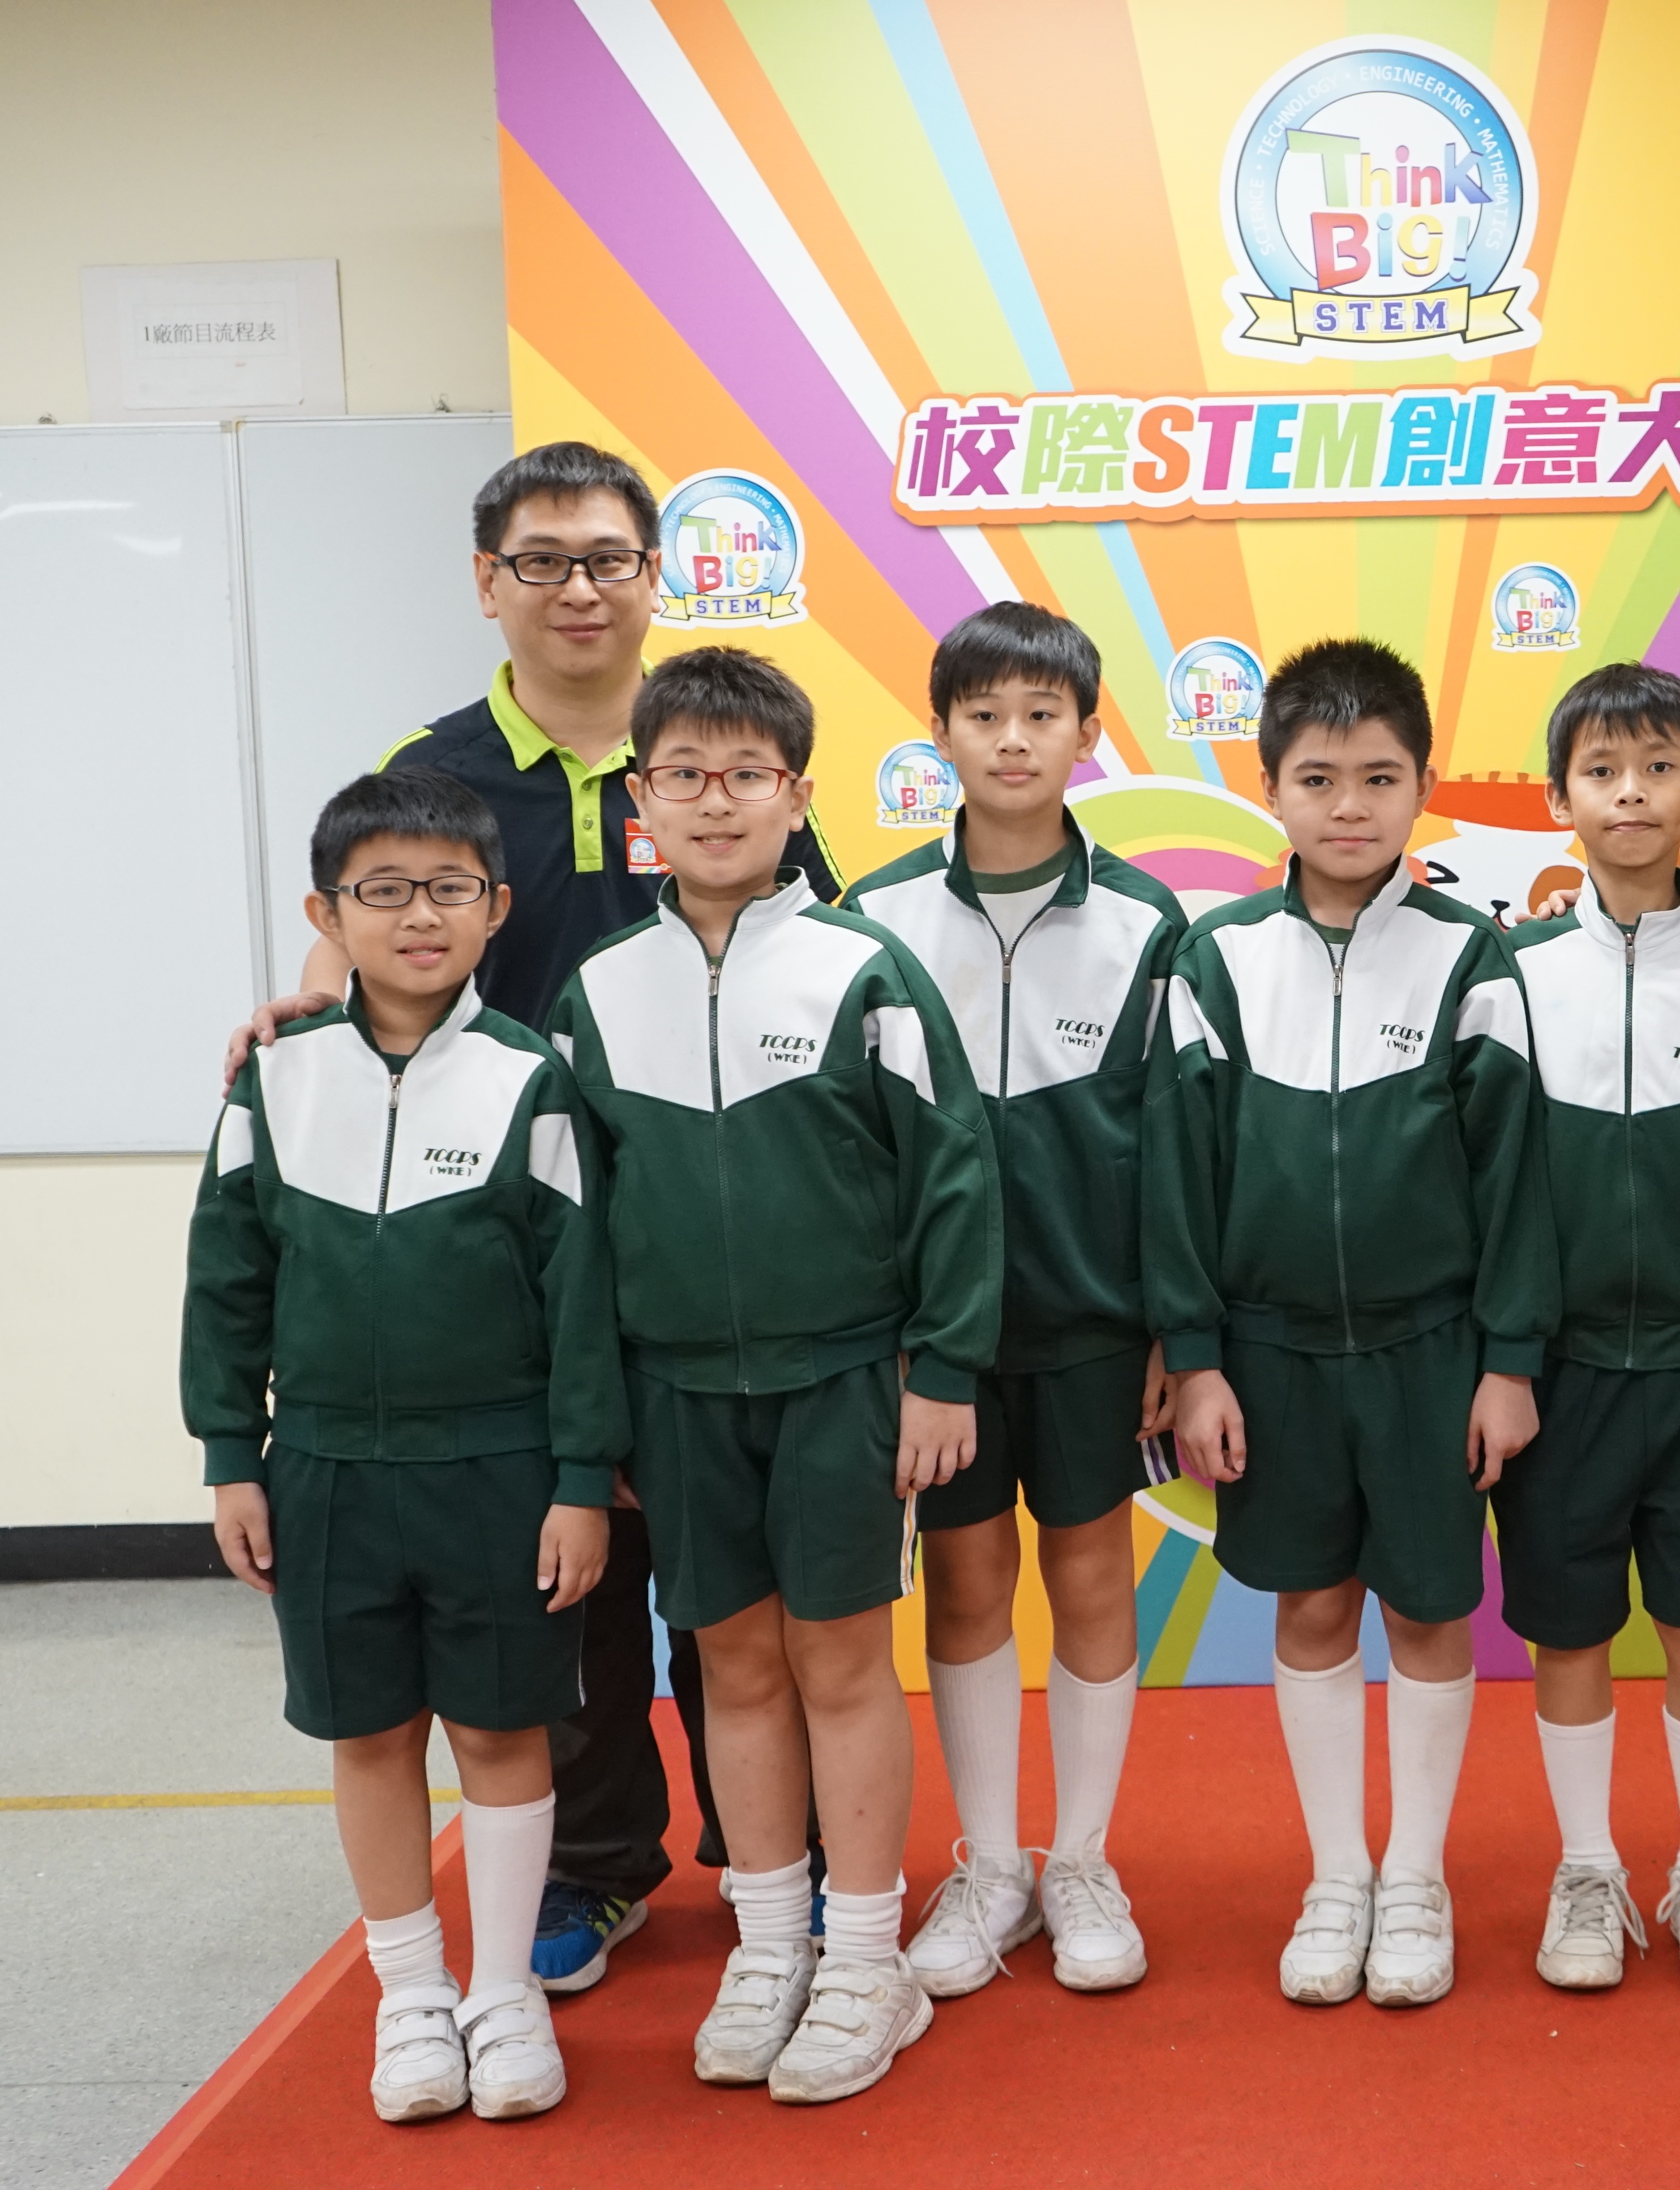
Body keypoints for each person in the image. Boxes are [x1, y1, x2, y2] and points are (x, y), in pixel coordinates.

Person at [226, 440, 846, 1995]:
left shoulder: (713, 748)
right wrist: (303, 1015)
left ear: (655, 577)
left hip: (716, 1242)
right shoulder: (436, 767)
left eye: (609, 558)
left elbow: (813, 954)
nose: (580, 588)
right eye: (544, 560)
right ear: (487, 581)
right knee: (574, 1570)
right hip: (516, 1246)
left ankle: (780, 1859)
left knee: (738, 1579)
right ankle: (597, 1859)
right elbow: (369, 935)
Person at [548, 647, 1003, 2105]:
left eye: (746, 773)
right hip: (677, 1394)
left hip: (843, 1379)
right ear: (642, 798)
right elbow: (573, 1230)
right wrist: (596, 1422)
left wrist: (945, 1367)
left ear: (798, 793)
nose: (715, 799)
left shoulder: (865, 967)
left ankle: (864, 1958)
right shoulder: (596, 991)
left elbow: (954, 1178)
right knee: (733, 1667)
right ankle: (768, 1944)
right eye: (684, 773)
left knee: (841, 1663)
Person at [185, 767, 621, 2123]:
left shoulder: (535, 1079)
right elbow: (226, 1281)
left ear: (497, 908)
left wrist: (579, 1478)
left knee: (500, 1729)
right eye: (383, 890)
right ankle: (414, 1993)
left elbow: (582, 1302)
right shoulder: (275, 1078)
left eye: (448, 889)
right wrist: (231, 1452)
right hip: (323, 1468)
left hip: (497, 1468)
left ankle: (503, 1991)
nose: (419, 915)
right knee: (370, 1733)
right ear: (328, 912)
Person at [1144, 638, 1559, 2010]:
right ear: (1270, 788)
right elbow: (1178, 1173)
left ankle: (1417, 1874)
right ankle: (1338, 1874)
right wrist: (1196, 1358)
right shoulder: (1217, 957)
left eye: (1380, 776)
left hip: (1434, 1349)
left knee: (1431, 1610)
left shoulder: (1470, 954)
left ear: (1423, 785)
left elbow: (1515, 1178)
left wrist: (1508, 1359)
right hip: (1269, 1353)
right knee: (1314, 1602)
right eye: (1318, 777)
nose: (1349, 805)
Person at [844, 602, 1188, 1996]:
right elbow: (858, 1150)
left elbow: (1175, 1144)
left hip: (1094, 1323)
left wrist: (1170, 1325)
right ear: (939, 734)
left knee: (1093, 1573)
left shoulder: (1148, 920)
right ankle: (991, 1865)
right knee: (970, 1578)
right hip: (942, 1339)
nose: (1012, 739)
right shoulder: (873, 918)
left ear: (1088, 734)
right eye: (983, 714)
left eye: (1042, 714)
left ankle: (1082, 1856)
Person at [1497, 662, 1680, 1995]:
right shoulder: (1510, 975)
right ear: (1560, 798)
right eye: (1602, 771)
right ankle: (1587, 1866)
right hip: (1559, 1379)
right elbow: (1489, 1189)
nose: (1630, 793)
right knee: (1567, 1633)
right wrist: (1503, 1360)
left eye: (1659, 767)